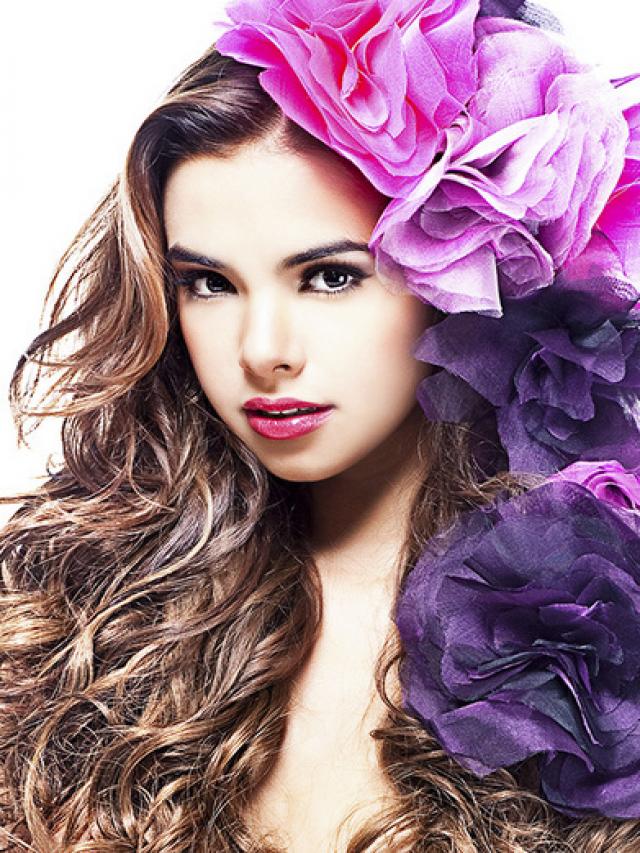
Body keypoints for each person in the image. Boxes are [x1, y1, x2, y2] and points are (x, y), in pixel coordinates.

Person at [1, 1, 640, 851]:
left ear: (459, 277)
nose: (262, 350)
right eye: (210, 284)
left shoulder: (601, 624)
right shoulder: (82, 603)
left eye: (330, 277)